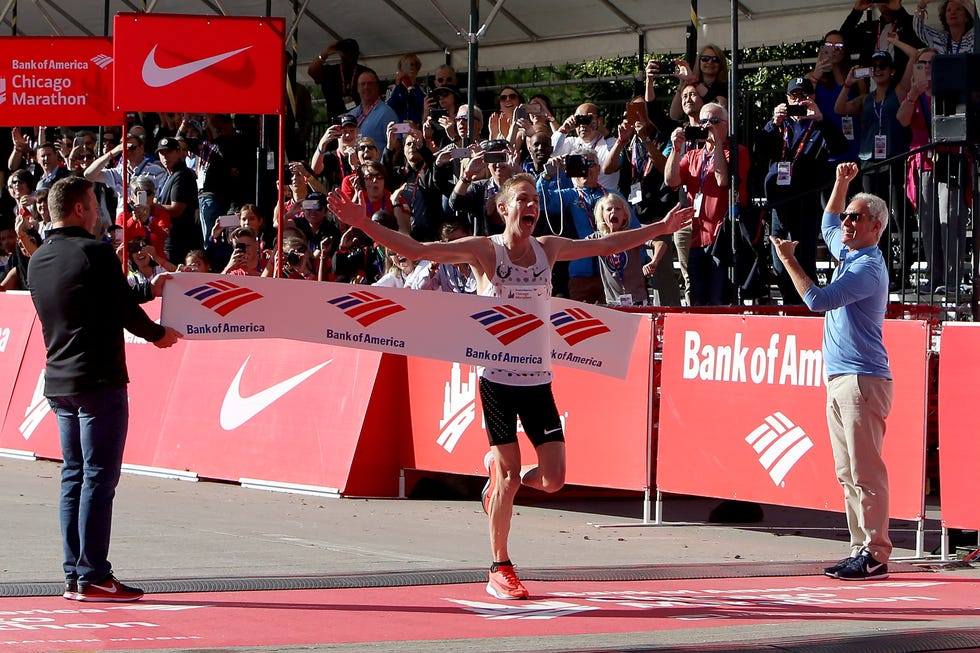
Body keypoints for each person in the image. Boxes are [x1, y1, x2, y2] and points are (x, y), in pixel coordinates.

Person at [327, 174, 692, 600]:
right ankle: (500, 565)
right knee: (511, 473)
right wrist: (365, 221)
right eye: (522, 200)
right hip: (497, 381)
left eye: (535, 201)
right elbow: (417, 250)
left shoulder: (548, 249)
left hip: (538, 381)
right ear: (504, 209)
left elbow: (608, 245)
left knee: (553, 479)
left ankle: (497, 483)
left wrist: (662, 229)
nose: (532, 207)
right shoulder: (486, 250)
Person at [27, 176, 182, 602]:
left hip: (59, 381)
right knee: (97, 478)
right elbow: (116, 307)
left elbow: (94, 299)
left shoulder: (38, 259)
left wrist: (145, 290)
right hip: (98, 379)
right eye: (95, 205)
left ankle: (76, 574)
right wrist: (157, 334)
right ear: (79, 209)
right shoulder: (95, 252)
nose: (99, 213)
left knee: (73, 477)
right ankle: (93, 574)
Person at [770, 161, 893, 581]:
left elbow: (817, 301)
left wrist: (789, 260)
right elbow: (826, 220)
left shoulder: (865, 266)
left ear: (876, 226)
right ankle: (861, 548)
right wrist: (841, 185)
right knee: (848, 472)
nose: (846, 221)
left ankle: (876, 552)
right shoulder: (849, 250)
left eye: (855, 217)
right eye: (848, 216)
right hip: (844, 376)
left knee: (865, 471)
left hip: (861, 378)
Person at [758, 77, 847, 304]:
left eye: (803, 96)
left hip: (805, 198)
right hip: (779, 199)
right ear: (786, 99)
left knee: (803, 253)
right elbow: (759, 150)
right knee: (779, 256)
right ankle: (788, 303)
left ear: (813, 98)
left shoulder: (819, 125)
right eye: (793, 96)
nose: (798, 100)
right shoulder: (780, 126)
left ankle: (805, 306)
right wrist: (772, 122)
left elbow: (840, 148)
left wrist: (820, 118)